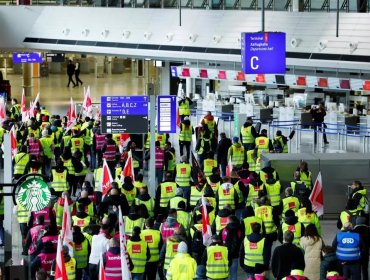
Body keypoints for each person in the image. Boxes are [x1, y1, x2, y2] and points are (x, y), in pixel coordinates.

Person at [219, 215, 243, 280]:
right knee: (234, 273)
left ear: (229, 221)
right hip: (235, 254)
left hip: (225, 253)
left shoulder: (223, 230)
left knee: (226, 273)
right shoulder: (240, 229)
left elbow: (220, 242)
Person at [353, 216, 370, 280]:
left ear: (357, 222)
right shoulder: (368, 230)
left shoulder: (353, 231)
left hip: (356, 252)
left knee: (357, 268)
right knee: (365, 268)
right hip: (366, 252)